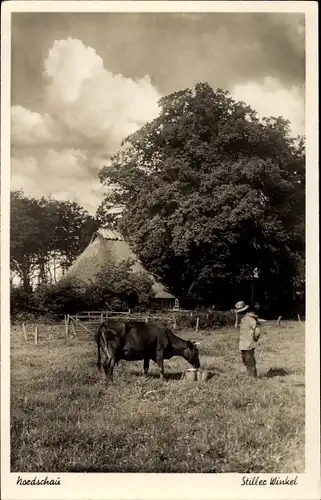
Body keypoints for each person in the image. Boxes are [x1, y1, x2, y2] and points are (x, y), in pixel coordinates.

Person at [235, 301, 260, 378]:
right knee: (245, 361)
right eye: (239, 312)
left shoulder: (250, 318)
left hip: (249, 344)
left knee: (250, 362)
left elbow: (257, 330)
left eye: (241, 312)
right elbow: (238, 327)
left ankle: (253, 378)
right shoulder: (243, 319)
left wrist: (254, 339)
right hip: (243, 345)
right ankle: (250, 376)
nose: (239, 314)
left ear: (244, 311)